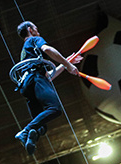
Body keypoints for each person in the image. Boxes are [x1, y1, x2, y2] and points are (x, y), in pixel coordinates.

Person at [13, 21, 80, 155]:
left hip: (27, 86)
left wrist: (66, 63)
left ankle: (30, 136)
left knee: (40, 126)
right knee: (55, 109)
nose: (38, 32)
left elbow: (48, 76)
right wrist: (68, 65)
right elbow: (48, 49)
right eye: (36, 28)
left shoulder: (25, 52)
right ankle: (25, 132)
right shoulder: (33, 40)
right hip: (35, 78)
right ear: (30, 29)